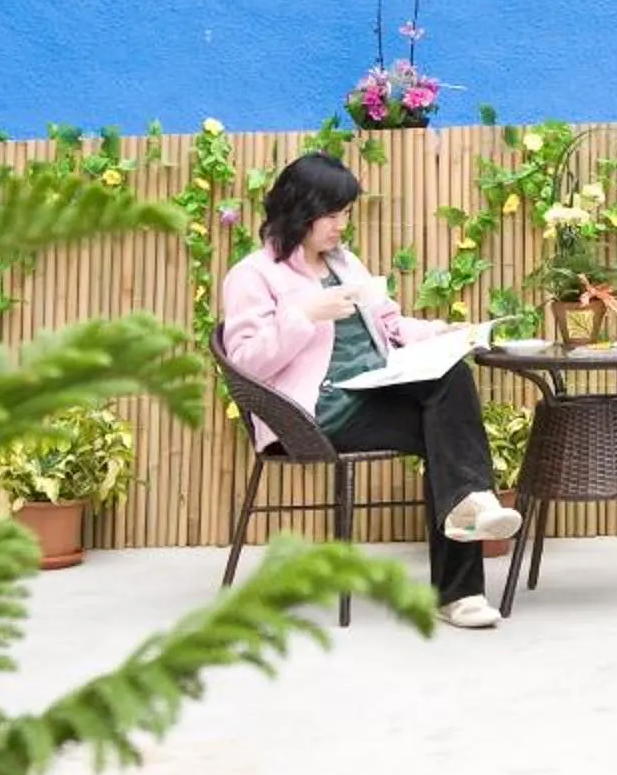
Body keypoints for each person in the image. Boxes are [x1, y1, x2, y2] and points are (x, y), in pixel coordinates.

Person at [220, 153, 521, 631]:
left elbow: (390, 324)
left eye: (345, 214)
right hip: (316, 412)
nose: (341, 226)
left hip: (371, 390)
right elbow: (245, 361)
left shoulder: (345, 263)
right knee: (448, 440)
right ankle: (461, 579)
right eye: (332, 215)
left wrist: (445, 332)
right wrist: (304, 315)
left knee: (451, 385)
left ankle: (465, 551)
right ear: (298, 209)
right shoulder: (253, 275)